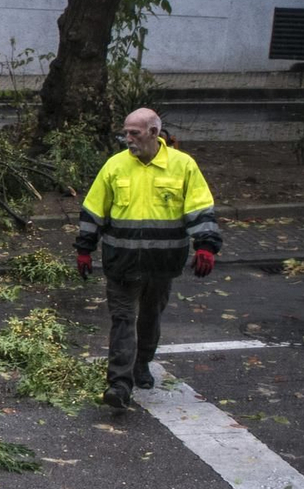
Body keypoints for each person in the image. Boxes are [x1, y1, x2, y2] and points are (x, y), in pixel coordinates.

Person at [74, 108, 220, 411]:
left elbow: (200, 209)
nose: (127, 139)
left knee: (150, 317)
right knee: (123, 320)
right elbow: (93, 210)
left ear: (154, 133)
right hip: (121, 263)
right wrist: (84, 249)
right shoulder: (115, 167)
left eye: (134, 133)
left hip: (161, 265)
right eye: (125, 133)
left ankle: (142, 363)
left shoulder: (183, 167)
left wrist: (206, 246)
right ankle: (119, 384)